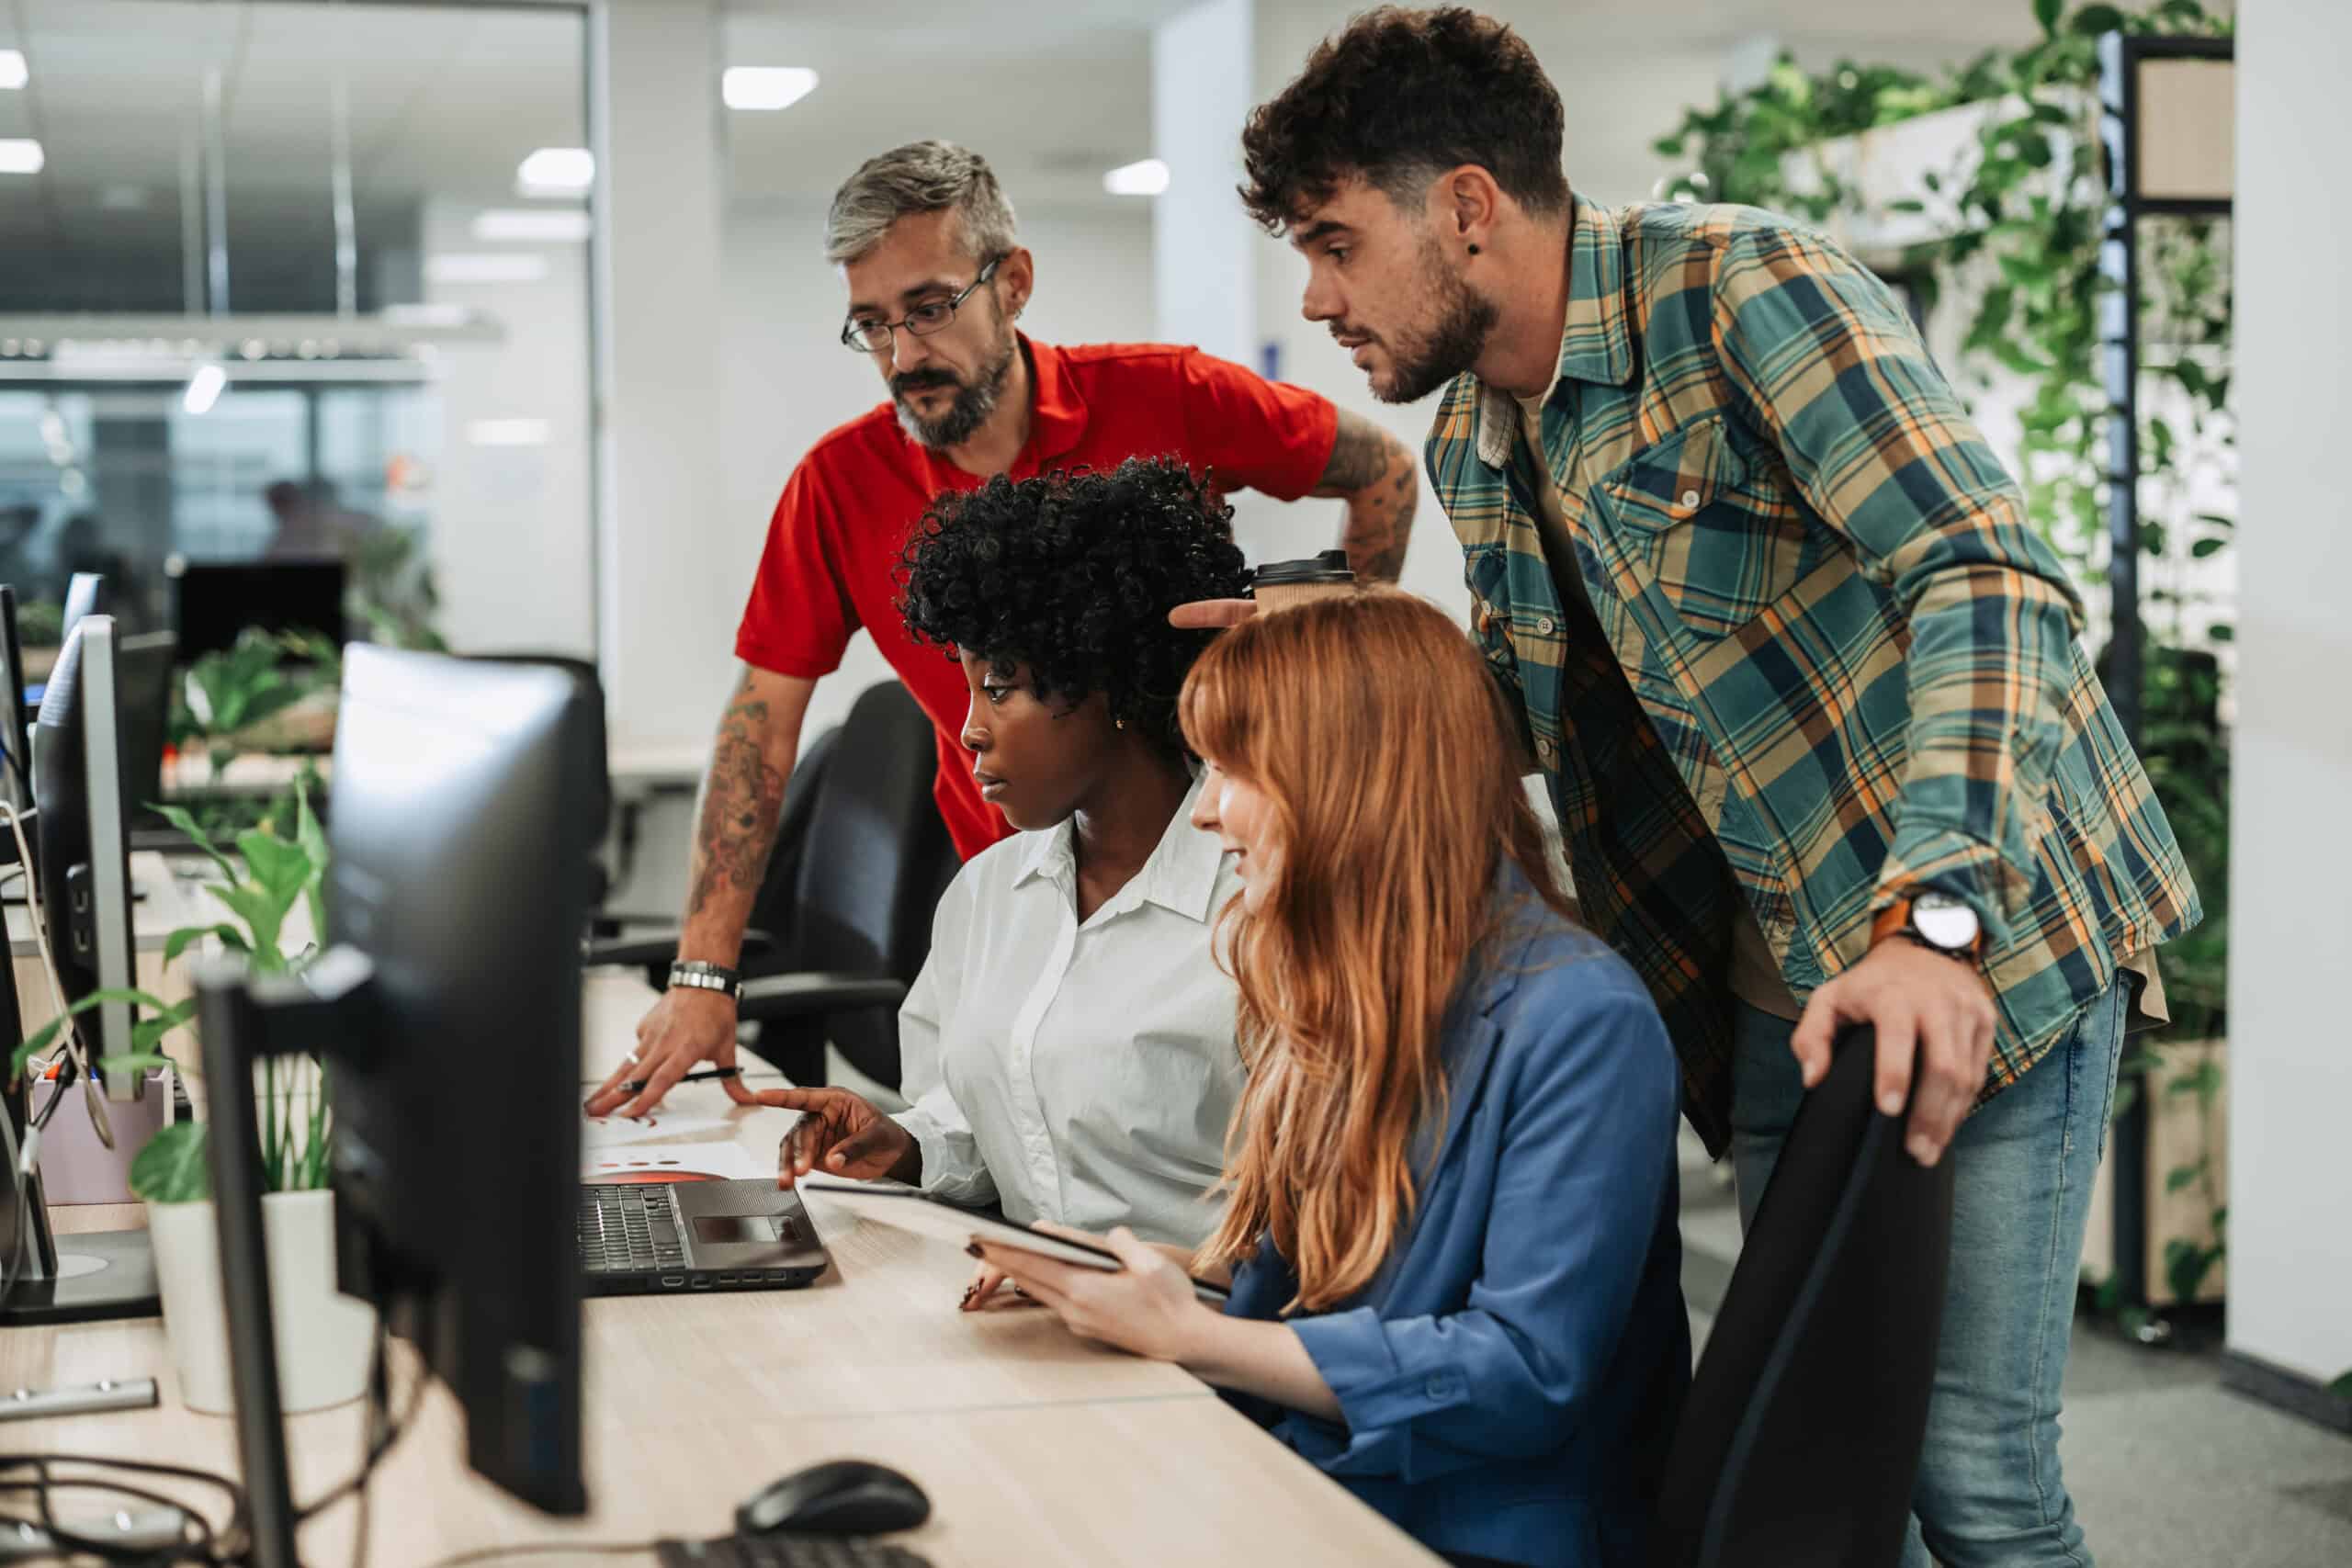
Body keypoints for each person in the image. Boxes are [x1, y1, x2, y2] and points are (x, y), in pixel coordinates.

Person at [1200, 10, 2200, 1565]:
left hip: (1980, 943)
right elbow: (1525, 716)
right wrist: (1323, 666)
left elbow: (1987, 572)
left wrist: (1934, 924)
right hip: (1768, 986)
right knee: (1829, 1455)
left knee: (1973, 1474)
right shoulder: (1475, 436)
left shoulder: (1744, 293)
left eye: (1335, 243)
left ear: (1467, 205)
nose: (1316, 297)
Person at [594, 140, 1420, 1119]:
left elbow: (1385, 472)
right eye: (871, 325)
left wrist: (1312, 647)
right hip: (1014, 895)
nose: (903, 356)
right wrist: (702, 978)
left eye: (930, 308)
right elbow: (760, 725)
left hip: (1222, 883)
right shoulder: (838, 485)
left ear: (1012, 282)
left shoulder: (1170, 395)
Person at [976, 592, 1688, 1568]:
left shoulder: (1580, 1021)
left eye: (1233, 771)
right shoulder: (1354, 984)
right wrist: (1120, 1276)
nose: (1209, 811)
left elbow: (1523, 1375)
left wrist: (1192, 1337)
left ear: (1350, 780)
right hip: (1318, 1477)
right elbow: (1329, 1285)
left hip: (1469, 1530)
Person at [754, 458, 1254, 1301]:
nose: (968, 729)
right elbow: (995, 1120)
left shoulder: (1259, 898)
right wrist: (909, 1146)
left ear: (1115, 686)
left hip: (1217, 1344)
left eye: (1001, 688)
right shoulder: (990, 894)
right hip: (1042, 1316)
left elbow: (1320, 1227)